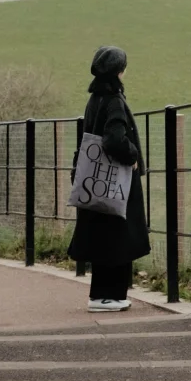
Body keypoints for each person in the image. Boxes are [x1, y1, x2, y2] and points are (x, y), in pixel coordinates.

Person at [68, 45, 150, 312]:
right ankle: (111, 297)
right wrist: (132, 154)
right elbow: (114, 138)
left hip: (95, 180)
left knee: (103, 237)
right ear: (119, 70)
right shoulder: (114, 100)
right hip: (116, 181)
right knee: (118, 236)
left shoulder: (94, 99)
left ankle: (99, 295)